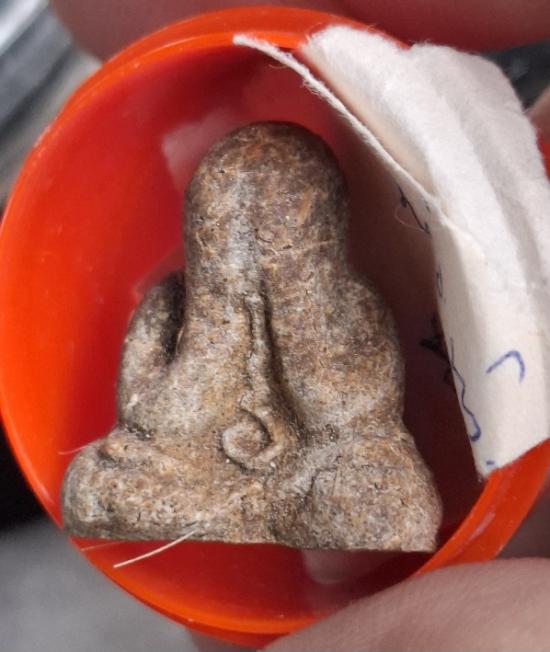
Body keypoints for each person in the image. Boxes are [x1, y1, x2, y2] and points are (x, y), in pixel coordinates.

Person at [50, 2, 550, 649]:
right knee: (102, 482)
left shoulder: (352, 308)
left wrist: (299, 412)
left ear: (322, 226)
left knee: (376, 497)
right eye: (236, 216)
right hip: (199, 451)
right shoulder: (181, 306)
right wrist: (184, 400)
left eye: (280, 216)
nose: (258, 236)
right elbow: (150, 405)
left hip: (328, 460)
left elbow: (359, 421)